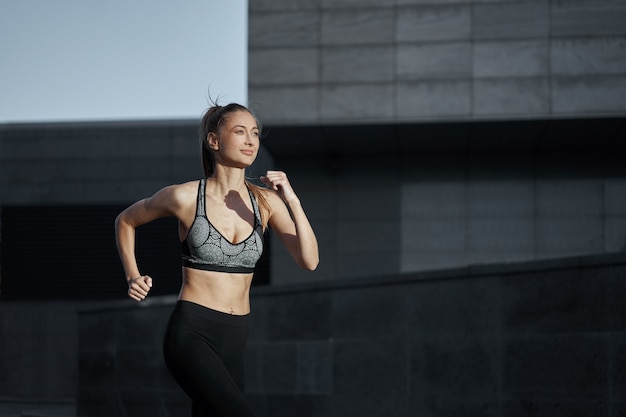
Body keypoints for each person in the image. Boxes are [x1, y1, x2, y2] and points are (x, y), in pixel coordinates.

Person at [114, 102, 319, 417]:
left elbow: (309, 260)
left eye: (254, 133)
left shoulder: (267, 202)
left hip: (236, 337)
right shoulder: (184, 197)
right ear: (214, 141)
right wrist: (132, 275)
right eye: (240, 132)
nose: (251, 141)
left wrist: (291, 198)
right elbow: (126, 220)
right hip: (192, 332)